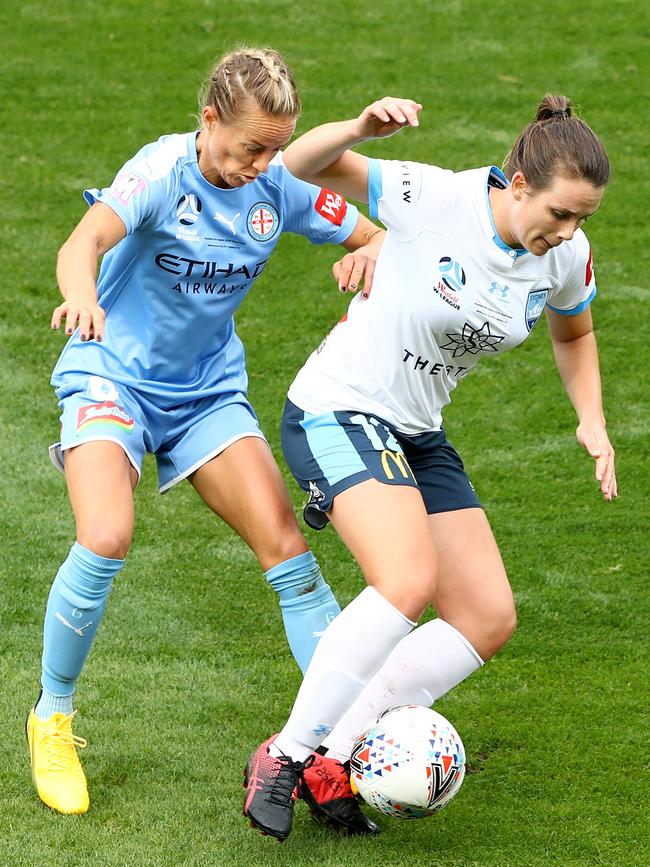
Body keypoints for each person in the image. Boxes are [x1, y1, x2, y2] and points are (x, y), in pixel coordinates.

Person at [243, 93, 617, 841]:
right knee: (405, 579)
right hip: (338, 407)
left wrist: (592, 417)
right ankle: (285, 755)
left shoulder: (564, 256)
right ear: (517, 186)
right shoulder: (436, 196)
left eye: (582, 219)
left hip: (416, 429)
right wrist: (355, 129)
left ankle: (335, 753)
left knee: (486, 615)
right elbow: (300, 164)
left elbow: (574, 334)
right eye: (562, 213)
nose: (569, 232)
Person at [26, 47, 386, 817]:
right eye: (249, 145)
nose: (261, 164)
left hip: (206, 394)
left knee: (289, 549)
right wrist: (82, 299)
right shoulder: (160, 173)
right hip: (110, 376)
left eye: (276, 149)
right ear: (209, 118)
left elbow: (373, 236)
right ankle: (51, 718)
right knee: (107, 534)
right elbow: (80, 243)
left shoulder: (276, 184)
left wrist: (368, 259)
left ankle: (331, 744)